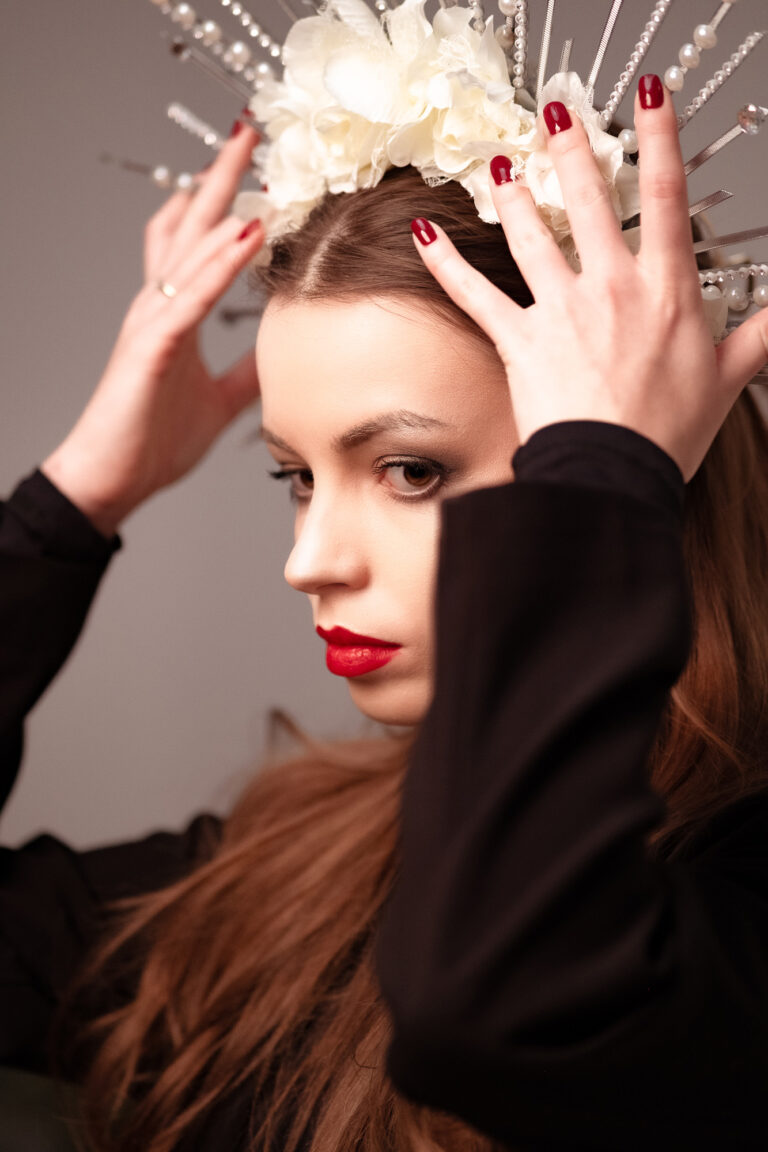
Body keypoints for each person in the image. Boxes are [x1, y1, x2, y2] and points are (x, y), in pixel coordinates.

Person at [1, 72, 768, 1152]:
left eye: (411, 470)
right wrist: (69, 505)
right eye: (295, 476)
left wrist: (601, 474)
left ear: (649, 468)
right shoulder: (289, 866)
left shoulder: (741, 892)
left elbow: (502, 1001)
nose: (307, 562)